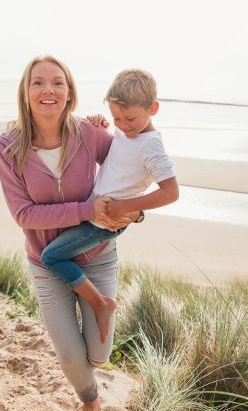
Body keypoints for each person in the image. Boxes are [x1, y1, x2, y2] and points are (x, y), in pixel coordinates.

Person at [0, 55, 140, 411]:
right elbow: (23, 214)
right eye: (38, 82)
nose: (48, 89)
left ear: (69, 92)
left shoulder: (90, 134)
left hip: (97, 254)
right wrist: (87, 210)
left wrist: (137, 210)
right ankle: (90, 401)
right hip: (46, 260)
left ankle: (99, 323)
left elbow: (132, 167)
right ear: (26, 92)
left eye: (58, 82)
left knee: (98, 355)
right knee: (70, 355)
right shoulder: (8, 146)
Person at [40, 68, 179, 342]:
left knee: (50, 257)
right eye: (117, 117)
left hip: (103, 223)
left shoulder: (151, 145)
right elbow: (117, 163)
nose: (123, 124)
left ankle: (100, 303)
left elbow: (171, 192)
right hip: (96, 215)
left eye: (130, 118)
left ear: (153, 108)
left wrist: (128, 207)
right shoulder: (127, 133)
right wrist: (101, 123)